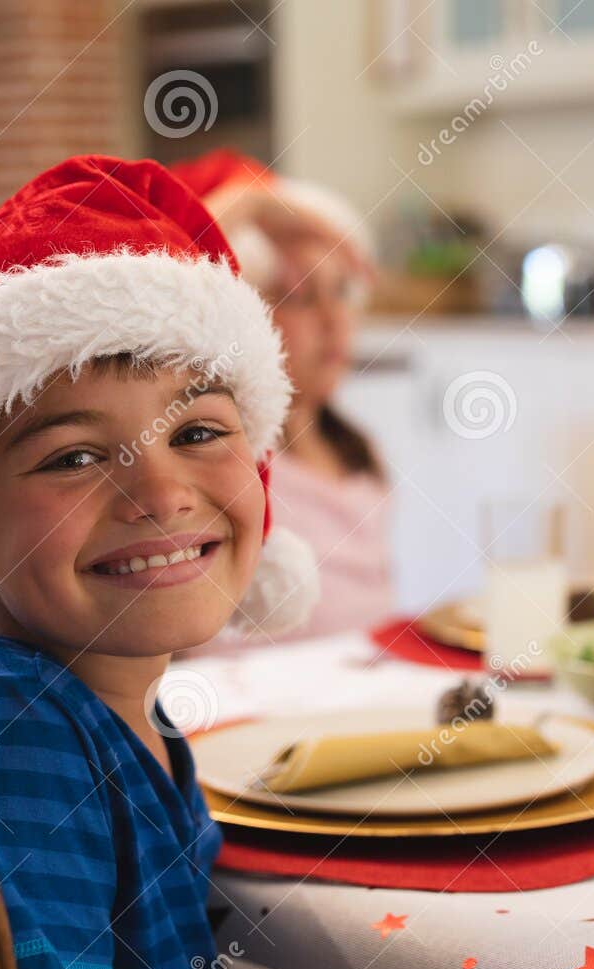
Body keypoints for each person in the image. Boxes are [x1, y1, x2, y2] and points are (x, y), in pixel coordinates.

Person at [0, 156, 318, 969]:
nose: (161, 494)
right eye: (72, 457)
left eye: (197, 432)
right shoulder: (20, 737)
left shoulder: (0, 685)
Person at [173, 150, 395, 644]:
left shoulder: (357, 451)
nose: (334, 320)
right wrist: (251, 204)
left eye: (342, 292)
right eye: (301, 296)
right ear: (246, 314)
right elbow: (170, 282)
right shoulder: (226, 459)